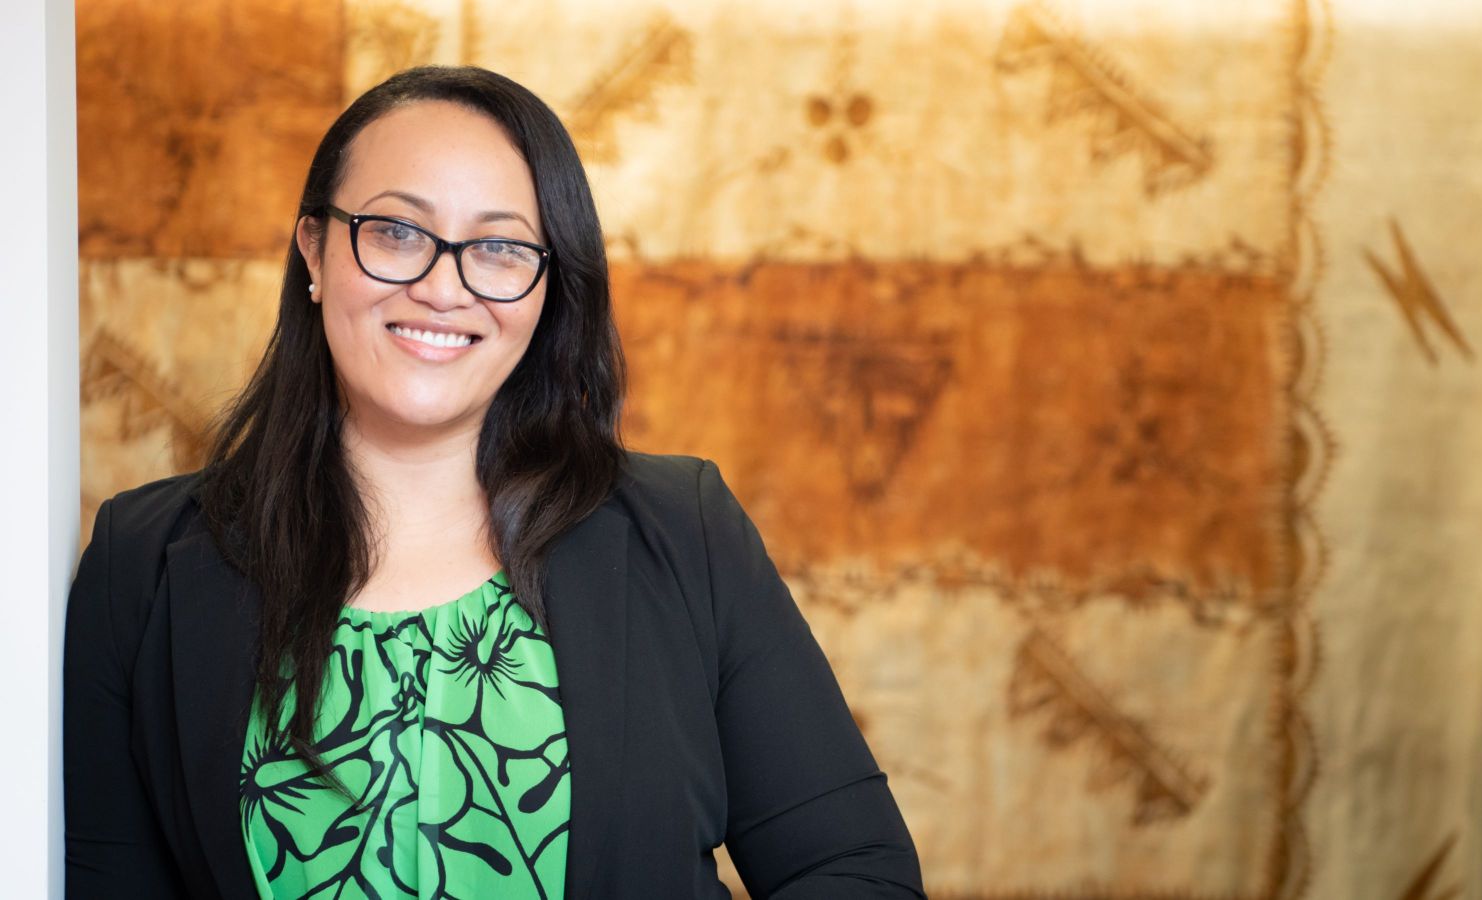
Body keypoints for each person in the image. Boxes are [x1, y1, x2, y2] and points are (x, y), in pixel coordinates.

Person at [63, 65, 923, 899]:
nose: (444, 287)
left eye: (501, 248)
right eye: (397, 232)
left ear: (548, 286)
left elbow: (854, 871)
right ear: (314, 250)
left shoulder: (684, 532)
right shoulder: (141, 566)